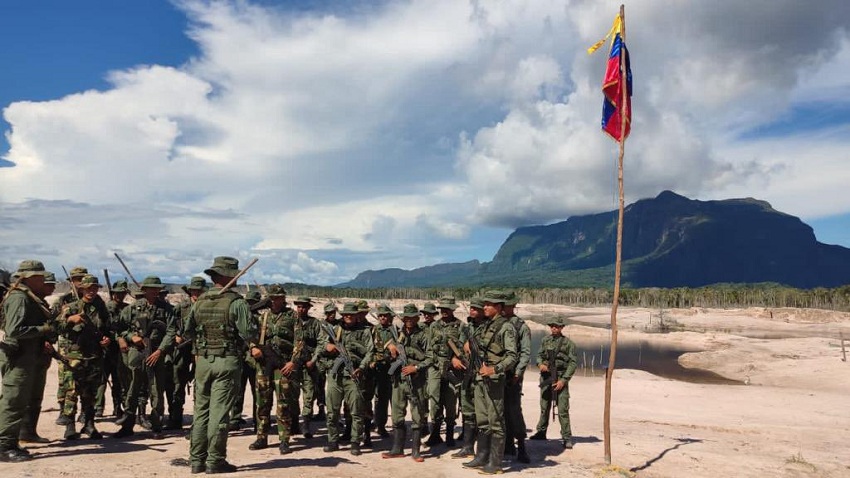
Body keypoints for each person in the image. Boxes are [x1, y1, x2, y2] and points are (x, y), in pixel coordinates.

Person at [185, 256, 257, 474]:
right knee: (219, 414)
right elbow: (249, 333)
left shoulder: (200, 301)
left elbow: (188, 330)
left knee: (201, 412)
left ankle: (196, 460)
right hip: (227, 361)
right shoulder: (236, 303)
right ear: (229, 276)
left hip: (203, 361)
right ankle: (215, 461)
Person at [0, 260, 56, 462]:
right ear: (29, 278)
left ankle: (12, 442)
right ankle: (3, 447)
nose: (43, 280)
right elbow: (15, 330)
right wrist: (44, 329)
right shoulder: (19, 298)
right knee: (13, 401)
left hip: (27, 356)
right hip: (18, 357)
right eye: (40, 276)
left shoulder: (28, 297)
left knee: (20, 400)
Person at [113, 276, 177, 439]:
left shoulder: (166, 309)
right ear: (144, 290)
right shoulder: (132, 309)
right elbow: (120, 329)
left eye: (157, 289)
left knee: (156, 390)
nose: (155, 292)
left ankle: (157, 426)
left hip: (156, 351)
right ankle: (127, 425)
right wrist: (130, 337)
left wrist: (160, 351)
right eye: (151, 288)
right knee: (133, 389)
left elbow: (171, 332)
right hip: (137, 351)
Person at [462, 290, 517, 475]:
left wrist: (494, 369)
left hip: (493, 379)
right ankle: (481, 457)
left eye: (488, 304)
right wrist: (469, 345)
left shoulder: (505, 327)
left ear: (499, 307)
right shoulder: (485, 326)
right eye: (484, 304)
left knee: (496, 421)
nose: (484, 307)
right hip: (480, 377)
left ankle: (496, 463)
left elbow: (512, 357)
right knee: (483, 420)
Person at [57, 274, 112, 440]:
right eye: (88, 289)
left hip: (93, 355)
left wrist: (106, 339)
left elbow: (108, 328)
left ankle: (89, 424)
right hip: (74, 356)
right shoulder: (72, 307)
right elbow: (56, 327)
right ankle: (70, 425)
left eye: (95, 288)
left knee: (91, 392)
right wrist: (69, 320)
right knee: (71, 391)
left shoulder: (101, 308)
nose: (92, 291)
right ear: (82, 290)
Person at [248, 284, 300, 454]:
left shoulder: (292, 316)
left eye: (278, 297)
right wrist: (253, 347)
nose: (275, 301)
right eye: (272, 297)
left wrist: (293, 362)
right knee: (262, 402)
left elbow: (299, 341)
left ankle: (284, 439)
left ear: (283, 299)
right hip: (264, 365)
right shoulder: (263, 317)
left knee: (283, 404)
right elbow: (251, 335)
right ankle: (261, 436)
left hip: (283, 364)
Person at [318, 302, 374, 456]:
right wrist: (327, 347)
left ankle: (355, 441)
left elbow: (370, 353)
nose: (348, 317)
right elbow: (320, 344)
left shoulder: (364, 331)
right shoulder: (335, 329)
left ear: (357, 316)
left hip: (354, 375)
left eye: (351, 314)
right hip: (335, 376)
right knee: (332, 411)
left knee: (356, 411)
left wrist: (361, 367)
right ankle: (333, 440)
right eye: (345, 314)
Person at [381, 304, 430, 462]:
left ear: (417, 318)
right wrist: (390, 348)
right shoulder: (397, 334)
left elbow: (431, 358)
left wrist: (415, 367)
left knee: (417, 414)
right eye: (406, 318)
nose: (409, 321)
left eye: (412, 318)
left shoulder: (424, 334)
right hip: (398, 380)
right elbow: (382, 349)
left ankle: (415, 451)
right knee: (397, 414)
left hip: (416, 380)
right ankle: (397, 448)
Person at [17, 271, 57, 444]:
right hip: (25, 355)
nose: (51, 287)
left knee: (35, 396)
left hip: (40, 355)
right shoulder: (24, 301)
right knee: (21, 397)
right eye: (48, 284)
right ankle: (14, 436)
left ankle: (29, 432)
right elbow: (16, 329)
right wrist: (44, 332)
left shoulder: (42, 304)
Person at [529, 317, 578, 449]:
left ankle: (567, 437)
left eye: (556, 326)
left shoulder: (568, 344)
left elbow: (573, 363)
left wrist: (564, 380)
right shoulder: (545, 340)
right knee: (544, 407)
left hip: (560, 377)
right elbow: (538, 355)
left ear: (562, 327)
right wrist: (540, 365)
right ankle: (541, 431)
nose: (554, 328)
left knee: (562, 409)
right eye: (552, 326)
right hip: (546, 377)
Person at [51, 266, 89, 426]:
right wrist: (68, 320)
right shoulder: (63, 301)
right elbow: (52, 323)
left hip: (87, 347)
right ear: (71, 281)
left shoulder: (92, 300)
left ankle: (85, 415)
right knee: (66, 381)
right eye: (78, 279)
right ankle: (65, 413)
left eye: (83, 279)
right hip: (67, 347)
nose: (81, 283)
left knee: (86, 382)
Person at [426, 296, 464, 447]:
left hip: (452, 369)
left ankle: (449, 434)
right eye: (442, 309)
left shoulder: (461, 326)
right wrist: (434, 363)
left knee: (450, 401)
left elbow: (463, 348)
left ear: (453, 310)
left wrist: (455, 359)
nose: (444, 311)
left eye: (447, 309)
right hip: (435, 367)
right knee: (434, 400)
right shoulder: (434, 326)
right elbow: (429, 348)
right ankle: (435, 434)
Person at [451, 297, 485, 459]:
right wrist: (455, 358)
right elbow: (458, 346)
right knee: (467, 410)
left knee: (483, 413)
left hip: (482, 374)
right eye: (471, 308)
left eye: (475, 308)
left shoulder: (488, 327)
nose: (472, 310)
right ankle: (468, 447)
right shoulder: (467, 328)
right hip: (467, 373)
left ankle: (483, 451)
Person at [503, 291, 531, 463]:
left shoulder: (521, 326)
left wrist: (518, 373)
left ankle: (521, 445)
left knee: (513, 409)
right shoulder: (496, 324)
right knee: (500, 410)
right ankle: (507, 444)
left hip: (513, 374)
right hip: (498, 373)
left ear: (512, 306)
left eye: (505, 305)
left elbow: (526, 353)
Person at [97, 279, 129, 420]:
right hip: (106, 348)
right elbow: (101, 327)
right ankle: (98, 407)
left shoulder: (127, 309)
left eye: (122, 293)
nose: (120, 296)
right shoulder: (105, 309)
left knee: (119, 380)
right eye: (118, 293)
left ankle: (118, 407)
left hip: (120, 350)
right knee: (102, 380)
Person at [294, 296, 322, 440]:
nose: (301, 309)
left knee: (309, 395)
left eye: (304, 306)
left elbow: (321, 343)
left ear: (309, 308)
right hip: (294, 363)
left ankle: (305, 424)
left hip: (309, 364)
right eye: (299, 306)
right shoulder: (291, 322)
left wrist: (314, 359)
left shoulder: (315, 323)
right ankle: (293, 422)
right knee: (291, 394)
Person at [371, 303, 396, 439]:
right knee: (380, 398)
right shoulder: (374, 331)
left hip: (393, 368)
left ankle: (396, 425)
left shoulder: (395, 330)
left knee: (395, 398)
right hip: (379, 368)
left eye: (385, 316)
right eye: (380, 316)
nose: (382, 318)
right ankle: (380, 425)